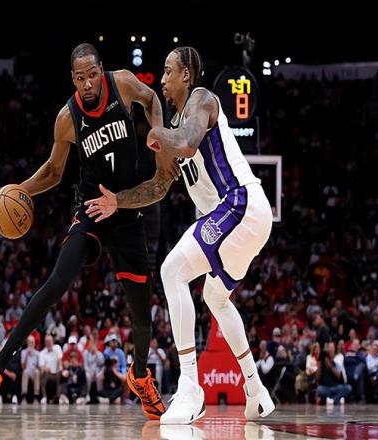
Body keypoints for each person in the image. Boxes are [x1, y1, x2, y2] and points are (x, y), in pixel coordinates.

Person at [0, 43, 179, 420]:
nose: (88, 83)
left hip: (126, 209)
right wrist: (18, 190)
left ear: (100, 69)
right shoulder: (67, 117)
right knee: (56, 283)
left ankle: (141, 376)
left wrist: (159, 135)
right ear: (73, 79)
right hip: (92, 209)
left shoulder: (123, 83)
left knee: (143, 316)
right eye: (80, 78)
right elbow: (53, 171)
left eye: (92, 74)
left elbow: (152, 98)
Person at [84, 46, 275, 424]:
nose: (163, 79)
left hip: (240, 203)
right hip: (242, 220)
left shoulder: (203, 100)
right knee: (215, 298)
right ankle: (256, 391)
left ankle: (190, 386)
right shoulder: (174, 126)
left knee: (172, 270)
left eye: (169, 71)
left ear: (187, 74)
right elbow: (158, 188)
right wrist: (117, 201)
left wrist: (157, 133)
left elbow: (187, 142)